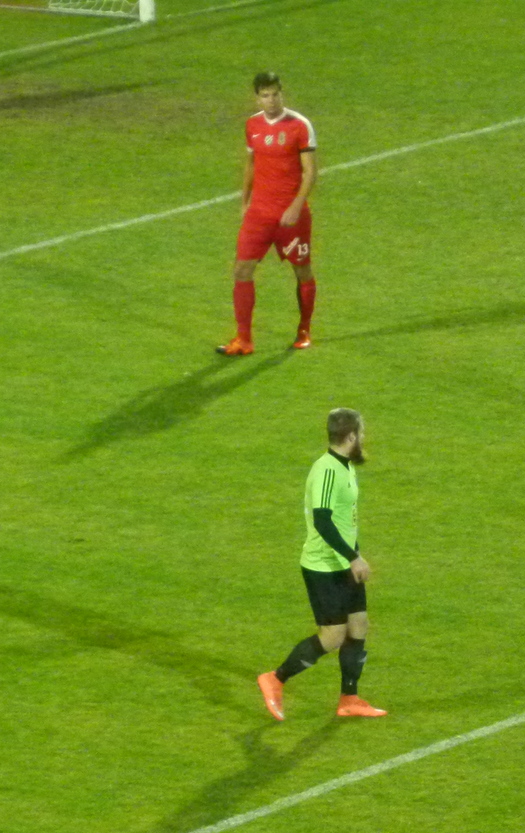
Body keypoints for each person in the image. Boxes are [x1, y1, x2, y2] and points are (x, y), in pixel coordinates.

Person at [258, 409, 386, 719]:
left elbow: (344, 520)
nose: (364, 438)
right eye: (361, 433)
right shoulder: (327, 470)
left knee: (359, 625)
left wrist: (353, 554)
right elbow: (323, 521)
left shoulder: (344, 466)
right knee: (332, 636)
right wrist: (353, 557)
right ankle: (275, 679)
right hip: (324, 566)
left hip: (345, 562)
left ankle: (349, 699)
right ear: (351, 436)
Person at [217, 71, 318, 356]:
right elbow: (251, 163)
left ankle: (304, 330)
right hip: (260, 213)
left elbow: (310, 172)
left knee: (302, 270)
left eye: (275, 94)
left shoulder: (299, 125)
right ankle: (244, 339)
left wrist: (296, 206)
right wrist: (244, 201)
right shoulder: (252, 125)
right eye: (265, 95)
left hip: (291, 216)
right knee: (242, 270)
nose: (271, 100)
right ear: (257, 98)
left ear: (281, 94)